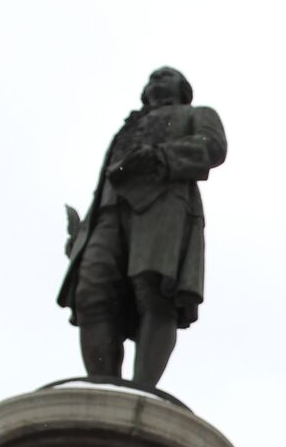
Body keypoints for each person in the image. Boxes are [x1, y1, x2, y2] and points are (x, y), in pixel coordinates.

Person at [57, 66, 227, 388]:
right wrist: (83, 236)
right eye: (152, 78)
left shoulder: (196, 114)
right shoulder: (128, 126)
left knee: (155, 290)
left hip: (164, 205)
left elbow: (213, 147)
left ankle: (142, 391)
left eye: (165, 76)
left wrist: (159, 156)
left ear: (183, 88)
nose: (156, 81)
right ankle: (104, 390)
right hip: (107, 213)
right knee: (91, 292)